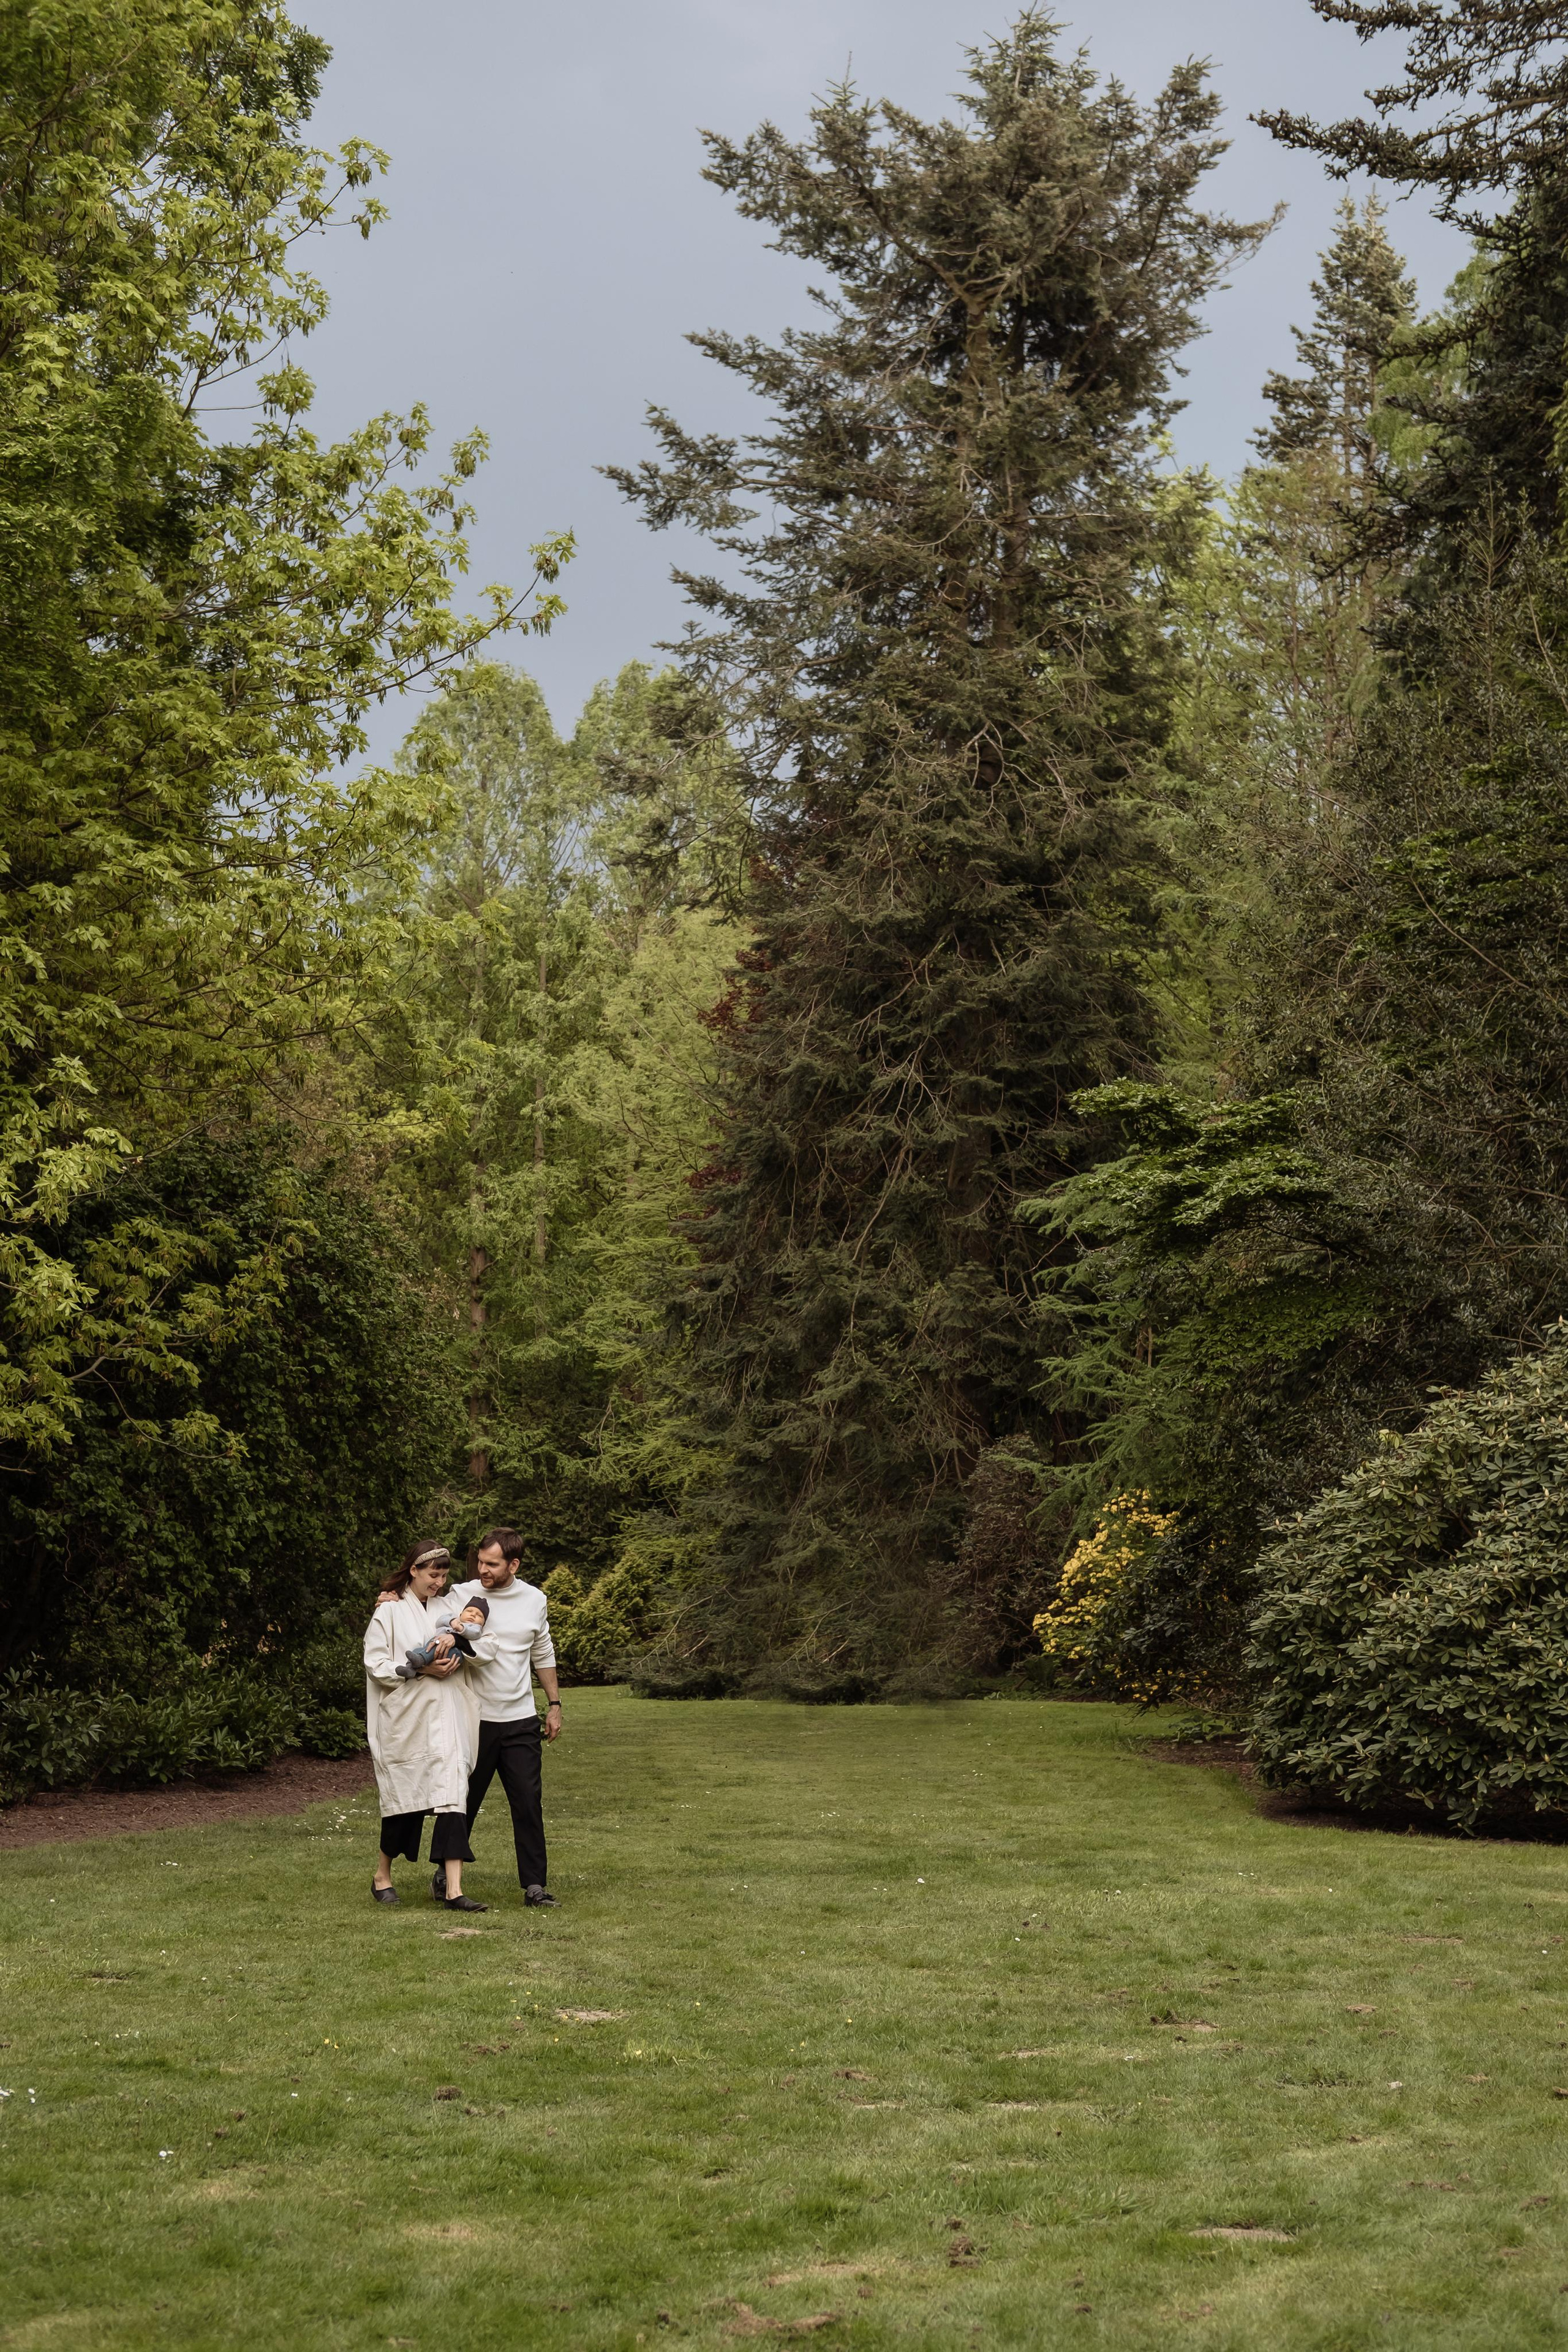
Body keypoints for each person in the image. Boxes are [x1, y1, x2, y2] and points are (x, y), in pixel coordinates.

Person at [363, 1540, 488, 1912]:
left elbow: (478, 1639)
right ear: (413, 1571)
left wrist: (458, 1650)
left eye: (445, 1575)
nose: (439, 1582)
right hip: (409, 1717)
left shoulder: (448, 1608)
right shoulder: (388, 1612)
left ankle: (453, 1890)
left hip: (448, 1716)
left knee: (453, 1798)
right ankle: (382, 1875)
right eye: (434, 1574)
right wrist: (420, 1667)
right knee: (407, 1803)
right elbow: (375, 1662)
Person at [442, 1526, 562, 1907]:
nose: (483, 1569)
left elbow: (542, 1653)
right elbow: (419, 1608)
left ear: (514, 1564)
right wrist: (390, 1598)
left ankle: (535, 1887)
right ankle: (445, 1877)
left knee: (528, 1803)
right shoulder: (460, 1595)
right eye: (480, 1561)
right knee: (463, 1802)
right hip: (472, 1719)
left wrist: (555, 1704)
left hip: (520, 1720)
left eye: (492, 1564)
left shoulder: (534, 1599)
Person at [394, 1593, 489, 1679]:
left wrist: (461, 1629)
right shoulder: (453, 1618)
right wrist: (451, 1621)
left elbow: (475, 1634)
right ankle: (410, 1669)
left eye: (479, 1616)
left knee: (426, 1653)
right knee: (417, 1651)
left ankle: (420, 1660)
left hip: (453, 1651)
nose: (473, 1615)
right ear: (461, 1614)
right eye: (469, 1611)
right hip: (434, 1643)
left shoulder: (475, 1628)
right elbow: (439, 1622)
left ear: (483, 1624)